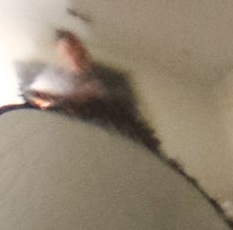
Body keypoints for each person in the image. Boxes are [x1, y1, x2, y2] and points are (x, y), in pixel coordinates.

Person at [21, 29, 162, 153]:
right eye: (69, 49)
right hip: (72, 141)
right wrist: (67, 99)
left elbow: (129, 111)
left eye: (76, 45)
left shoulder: (112, 77)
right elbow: (34, 100)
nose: (75, 52)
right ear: (61, 53)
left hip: (114, 139)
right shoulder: (52, 79)